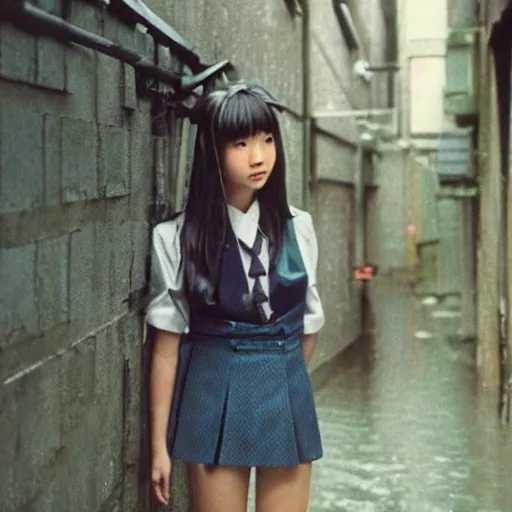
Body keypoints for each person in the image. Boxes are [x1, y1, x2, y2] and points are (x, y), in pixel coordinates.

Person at [146, 82, 325, 512]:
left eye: (267, 140)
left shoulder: (299, 226)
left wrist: (283, 382)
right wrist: (158, 447)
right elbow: (166, 351)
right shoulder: (175, 237)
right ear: (212, 151)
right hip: (213, 392)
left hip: (284, 392)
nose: (259, 156)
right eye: (241, 143)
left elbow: (309, 326)